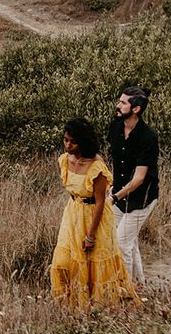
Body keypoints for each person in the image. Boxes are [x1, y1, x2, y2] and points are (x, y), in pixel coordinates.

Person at [50, 118, 138, 310]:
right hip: (73, 214)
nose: (67, 145)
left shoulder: (96, 166)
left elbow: (100, 202)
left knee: (93, 262)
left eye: (72, 141)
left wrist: (90, 235)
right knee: (62, 261)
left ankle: (98, 308)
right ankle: (72, 305)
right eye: (65, 140)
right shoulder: (65, 160)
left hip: (94, 216)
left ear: (83, 141)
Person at [108, 86, 159, 285]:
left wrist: (114, 196)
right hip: (119, 192)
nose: (118, 106)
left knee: (121, 244)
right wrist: (111, 186)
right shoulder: (115, 126)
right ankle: (139, 284)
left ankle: (125, 292)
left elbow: (139, 178)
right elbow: (115, 161)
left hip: (142, 198)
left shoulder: (148, 137)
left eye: (123, 103)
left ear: (136, 109)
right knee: (127, 241)